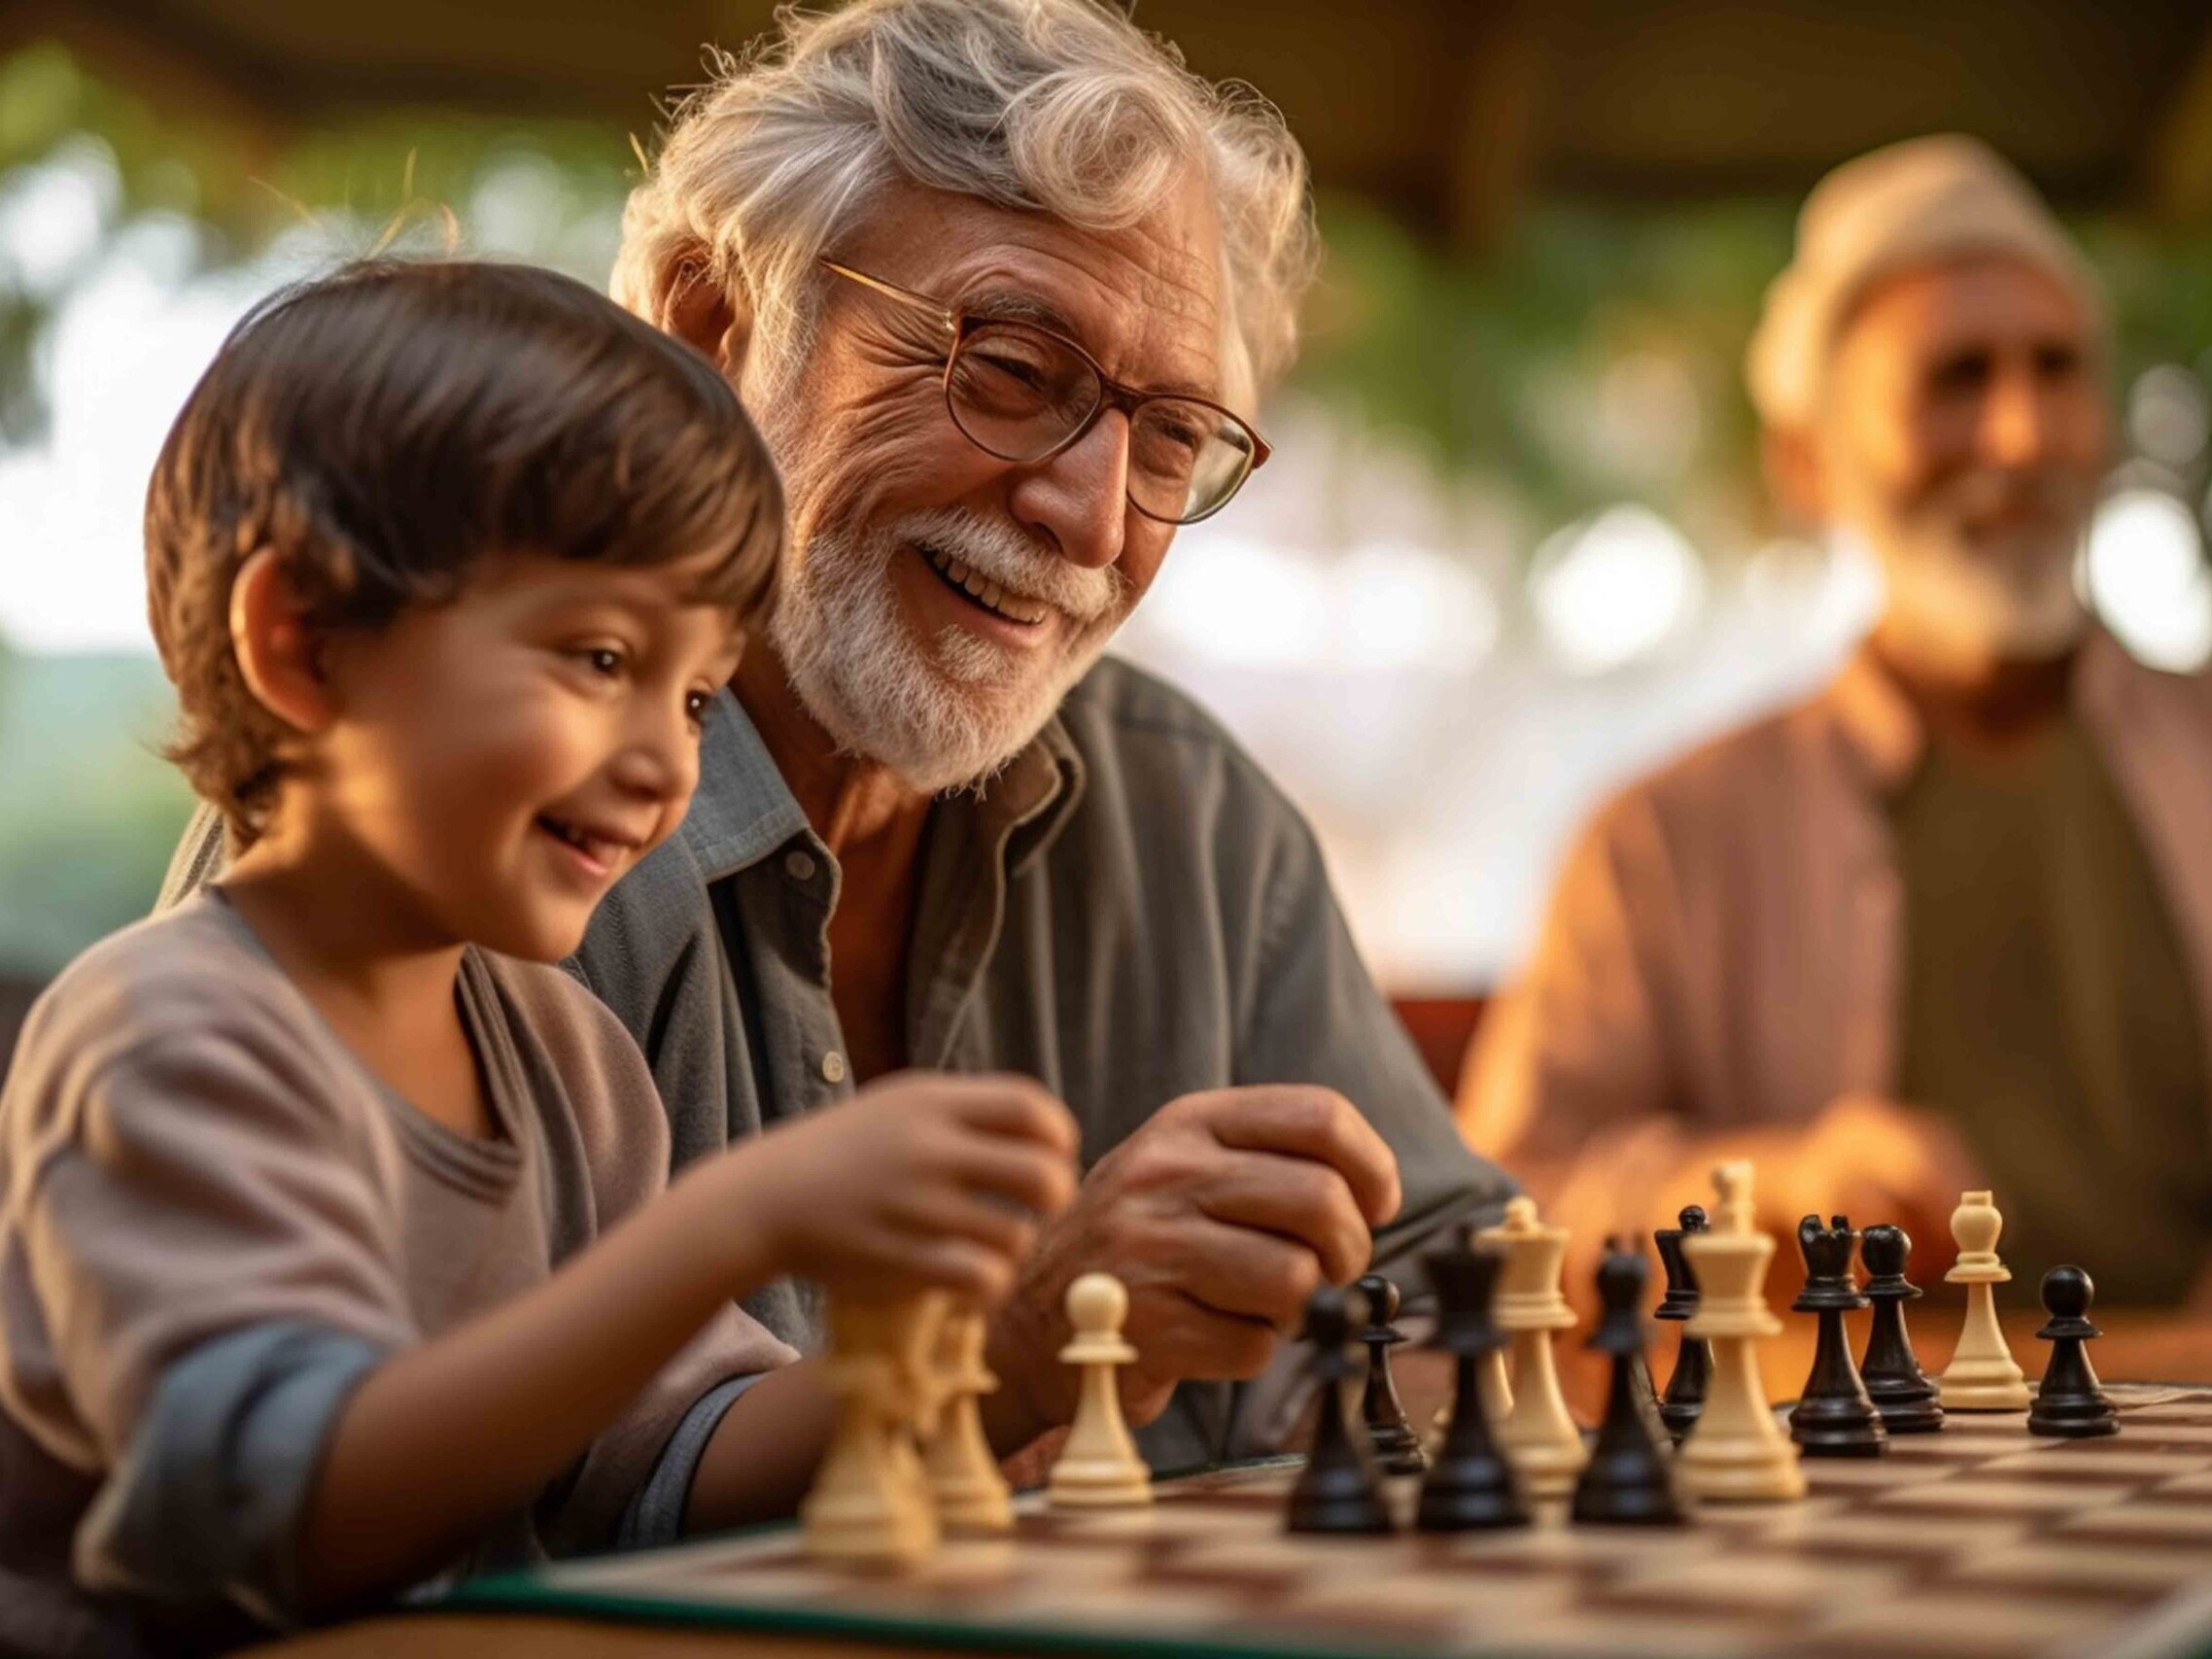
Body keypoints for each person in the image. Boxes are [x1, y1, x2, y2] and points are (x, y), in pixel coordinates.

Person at [162, 0, 1516, 1468]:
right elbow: (325, 1496)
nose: (1089, 515)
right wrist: (1014, 1358)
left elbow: (1465, 1298)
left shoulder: (1190, 817)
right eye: (1010, 367)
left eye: (1171, 436)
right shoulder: (433, 820)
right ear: (712, 324)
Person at [2, 260, 1080, 1656]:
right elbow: (287, 1527)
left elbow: (674, 1460)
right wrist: (730, 1225)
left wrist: (1006, 1366)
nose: (665, 765)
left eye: (696, 696)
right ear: (304, 644)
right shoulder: (167, 1039)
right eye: (600, 658)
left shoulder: (564, 1056)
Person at [1461, 135, 2212, 1304]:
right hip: (1846, 1414)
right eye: (1955, 378)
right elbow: (1502, 1209)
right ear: (1805, 462)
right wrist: (1764, 1192)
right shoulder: (1665, 840)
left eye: (2056, 370)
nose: (2020, 437)